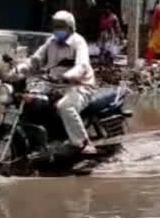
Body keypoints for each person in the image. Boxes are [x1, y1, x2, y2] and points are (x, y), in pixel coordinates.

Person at [15, 10, 101, 155]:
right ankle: (40, 139)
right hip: (53, 85)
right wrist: (17, 71)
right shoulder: (51, 42)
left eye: (61, 26)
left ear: (70, 27)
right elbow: (35, 61)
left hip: (79, 85)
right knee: (30, 100)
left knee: (64, 106)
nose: (57, 29)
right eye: (55, 26)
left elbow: (83, 65)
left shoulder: (78, 41)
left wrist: (69, 75)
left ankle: (83, 143)